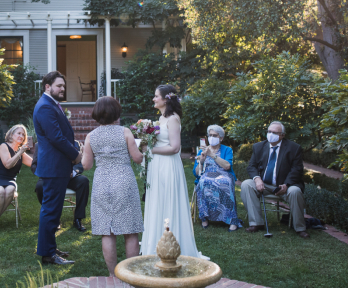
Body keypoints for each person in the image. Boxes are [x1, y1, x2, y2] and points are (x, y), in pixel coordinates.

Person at [82, 96, 144, 276]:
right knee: (130, 231)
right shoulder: (124, 132)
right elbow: (137, 158)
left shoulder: (91, 136)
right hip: (123, 181)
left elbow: (86, 166)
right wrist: (144, 149)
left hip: (102, 184)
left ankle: (112, 275)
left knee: (107, 233)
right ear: (116, 113)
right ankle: (130, 274)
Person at [140, 84, 203, 258]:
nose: (153, 99)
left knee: (167, 201)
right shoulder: (160, 118)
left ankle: (173, 244)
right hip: (157, 166)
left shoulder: (173, 118)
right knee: (157, 201)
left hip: (168, 166)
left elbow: (175, 148)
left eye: (156, 96)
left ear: (166, 99)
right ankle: (156, 243)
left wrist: (149, 150)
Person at [33, 71, 83, 266]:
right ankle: (48, 255)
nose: (63, 89)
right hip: (54, 166)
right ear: (48, 86)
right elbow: (56, 138)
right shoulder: (45, 106)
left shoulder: (51, 104)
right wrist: (75, 155)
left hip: (57, 165)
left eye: (63, 86)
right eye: (59, 86)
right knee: (51, 211)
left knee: (53, 210)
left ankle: (50, 248)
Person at [241, 121, 308, 238]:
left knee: (295, 191)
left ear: (282, 135)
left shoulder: (294, 148)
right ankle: (256, 223)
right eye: (269, 131)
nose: (270, 134)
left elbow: (297, 170)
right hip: (264, 185)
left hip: (285, 186)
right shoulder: (259, 147)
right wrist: (257, 179)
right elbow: (251, 166)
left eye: (274, 132)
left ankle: (300, 228)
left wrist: (286, 184)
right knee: (246, 184)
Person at [192, 125, 243, 231]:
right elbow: (197, 173)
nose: (211, 137)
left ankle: (231, 220)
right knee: (203, 182)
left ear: (221, 138)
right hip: (207, 174)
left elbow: (227, 166)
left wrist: (212, 155)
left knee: (225, 182)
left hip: (224, 174)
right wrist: (201, 161)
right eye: (210, 135)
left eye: (214, 135)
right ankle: (204, 218)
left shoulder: (227, 150)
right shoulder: (202, 150)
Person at [0, 124, 33, 233]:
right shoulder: (4, 146)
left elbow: (34, 163)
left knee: (10, 190)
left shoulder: (20, 151)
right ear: (11, 134)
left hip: (9, 179)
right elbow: (7, 164)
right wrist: (20, 152)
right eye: (18, 133)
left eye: (23, 134)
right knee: (0, 191)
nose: (21, 136)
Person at [32, 141, 90, 232]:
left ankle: (78, 219)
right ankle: (54, 218)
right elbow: (34, 165)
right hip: (49, 178)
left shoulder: (74, 143)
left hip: (69, 177)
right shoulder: (39, 144)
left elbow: (79, 164)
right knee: (40, 187)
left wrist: (73, 172)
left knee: (83, 181)